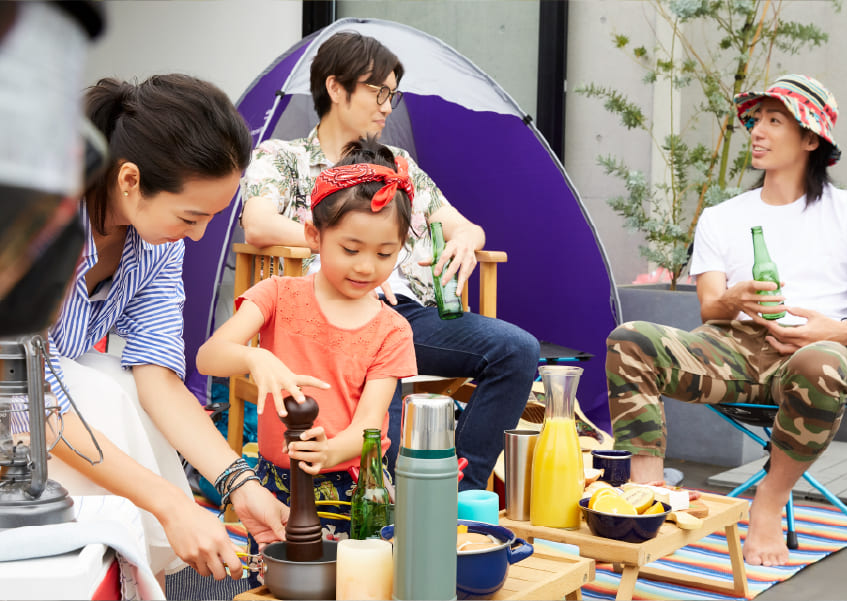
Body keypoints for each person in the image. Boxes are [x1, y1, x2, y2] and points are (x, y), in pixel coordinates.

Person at [606, 74, 847, 566]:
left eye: (774, 120)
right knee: (630, 338)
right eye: (755, 120)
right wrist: (734, 300)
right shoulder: (724, 217)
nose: (757, 131)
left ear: (811, 138)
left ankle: (768, 502)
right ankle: (647, 493)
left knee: (824, 364)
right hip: (731, 350)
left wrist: (840, 330)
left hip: (812, 353)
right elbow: (709, 307)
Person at [239, 31, 540, 491]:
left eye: (392, 95)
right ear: (336, 88)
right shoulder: (284, 158)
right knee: (383, 428)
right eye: (378, 91)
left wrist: (466, 239)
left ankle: (457, 491)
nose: (387, 106)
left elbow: (463, 224)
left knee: (518, 350)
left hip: (406, 316)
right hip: (321, 318)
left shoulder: (398, 164)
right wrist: (347, 258)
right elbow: (257, 224)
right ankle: (389, 505)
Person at [38, 74, 292, 586]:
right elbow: (33, 406)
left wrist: (238, 483)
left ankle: (135, 574)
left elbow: (157, 377)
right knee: (94, 385)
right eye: (191, 216)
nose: (198, 235)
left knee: (116, 377)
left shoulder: (156, 244)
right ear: (130, 180)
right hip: (19, 420)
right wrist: (171, 505)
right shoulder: (40, 225)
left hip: (47, 416)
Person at [197, 136, 417, 544]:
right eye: (351, 249)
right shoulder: (278, 294)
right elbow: (209, 357)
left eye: (386, 254)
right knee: (275, 581)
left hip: (356, 490)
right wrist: (256, 359)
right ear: (314, 236)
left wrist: (328, 451)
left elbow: (369, 425)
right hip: (272, 483)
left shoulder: (393, 329)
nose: (367, 266)